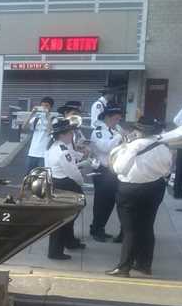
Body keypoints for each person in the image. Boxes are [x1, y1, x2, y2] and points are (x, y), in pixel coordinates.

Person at [106, 117, 173, 277]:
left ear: (140, 131)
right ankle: (144, 265)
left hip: (131, 190)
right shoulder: (164, 146)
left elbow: (120, 169)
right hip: (155, 188)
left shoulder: (133, 146)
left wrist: (123, 151)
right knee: (147, 226)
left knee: (130, 230)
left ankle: (123, 268)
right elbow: (166, 170)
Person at [44, 117, 86, 260]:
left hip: (56, 182)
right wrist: (81, 183)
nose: (72, 135)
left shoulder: (55, 145)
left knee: (69, 216)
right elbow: (73, 172)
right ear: (62, 134)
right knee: (64, 218)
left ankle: (69, 241)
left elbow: (73, 156)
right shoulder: (62, 150)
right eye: (70, 133)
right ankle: (55, 251)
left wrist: (82, 155)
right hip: (65, 184)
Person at [89, 106, 124, 241]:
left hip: (114, 171)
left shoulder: (115, 130)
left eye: (119, 119)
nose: (118, 121)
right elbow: (105, 147)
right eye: (116, 119)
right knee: (101, 202)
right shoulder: (98, 132)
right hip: (102, 170)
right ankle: (96, 229)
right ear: (107, 118)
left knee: (110, 202)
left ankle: (101, 227)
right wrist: (119, 136)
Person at [23, 96, 55, 173]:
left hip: (44, 154)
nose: (44, 107)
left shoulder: (54, 119)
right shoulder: (36, 119)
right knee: (29, 176)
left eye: (46, 105)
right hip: (32, 152)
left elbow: (50, 132)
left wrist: (47, 116)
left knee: (42, 177)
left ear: (51, 107)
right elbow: (24, 128)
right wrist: (32, 114)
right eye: (42, 105)